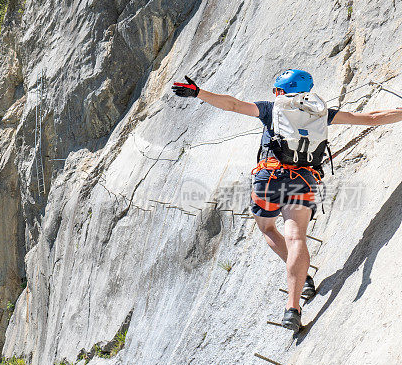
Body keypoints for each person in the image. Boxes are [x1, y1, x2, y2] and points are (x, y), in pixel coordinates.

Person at [172, 70, 402, 331]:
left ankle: (304, 281)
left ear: (280, 90)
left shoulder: (272, 109)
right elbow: (372, 119)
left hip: (269, 177)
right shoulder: (321, 113)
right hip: (302, 180)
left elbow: (232, 104)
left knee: (267, 227)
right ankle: (292, 308)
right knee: (297, 238)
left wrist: (198, 92)